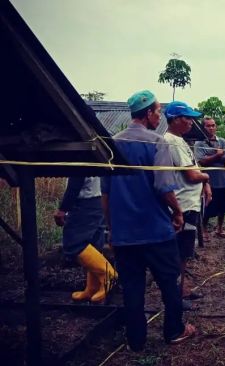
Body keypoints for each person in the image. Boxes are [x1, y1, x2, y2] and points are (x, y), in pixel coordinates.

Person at [102, 90, 195, 351]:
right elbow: (164, 186)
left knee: (132, 289)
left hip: (125, 235)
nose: (159, 117)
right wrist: (177, 212)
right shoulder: (157, 143)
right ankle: (174, 330)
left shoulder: (112, 144)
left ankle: (136, 340)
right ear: (147, 114)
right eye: (156, 112)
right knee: (169, 283)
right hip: (155, 231)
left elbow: (105, 194)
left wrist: (111, 228)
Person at [163, 101, 210, 303]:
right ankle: (176, 295)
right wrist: (206, 178)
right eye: (187, 118)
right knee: (180, 254)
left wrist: (204, 183)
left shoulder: (180, 140)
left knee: (184, 252)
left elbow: (193, 169)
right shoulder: (171, 141)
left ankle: (181, 289)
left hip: (190, 203)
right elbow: (191, 175)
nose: (191, 122)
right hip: (183, 204)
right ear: (174, 120)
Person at [54, 176, 116, 303]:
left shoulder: (78, 155)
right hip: (98, 199)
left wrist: (63, 209)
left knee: (73, 244)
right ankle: (93, 288)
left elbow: (76, 178)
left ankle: (109, 275)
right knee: (93, 245)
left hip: (85, 201)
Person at [195, 117, 225, 239]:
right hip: (209, 181)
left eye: (213, 125)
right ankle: (204, 229)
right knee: (208, 207)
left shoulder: (221, 141)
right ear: (203, 128)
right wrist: (217, 155)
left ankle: (219, 229)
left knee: (223, 206)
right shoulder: (199, 143)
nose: (211, 128)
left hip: (223, 179)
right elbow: (202, 162)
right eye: (208, 126)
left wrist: (213, 156)